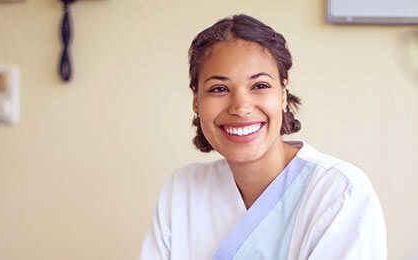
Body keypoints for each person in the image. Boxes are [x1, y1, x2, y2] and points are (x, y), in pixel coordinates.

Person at [138, 14, 387, 260]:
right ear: (196, 101)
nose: (241, 106)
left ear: (282, 95)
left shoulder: (339, 193)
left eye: (259, 86)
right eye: (219, 89)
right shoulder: (182, 190)